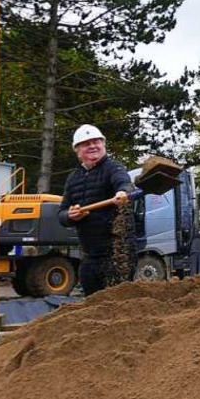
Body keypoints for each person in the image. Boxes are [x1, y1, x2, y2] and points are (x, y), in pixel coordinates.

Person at [58, 124, 135, 296]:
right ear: (78, 151)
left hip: (116, 253)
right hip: (89, 253)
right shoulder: (73, 178)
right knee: (91, 296)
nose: (93, 146)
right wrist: (70, 216)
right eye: (87, 143)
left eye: (96, 141)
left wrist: (123, 192)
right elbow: (61, 214)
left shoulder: (113, 168)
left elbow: (124, 183)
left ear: (103, 145)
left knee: (117, 298)